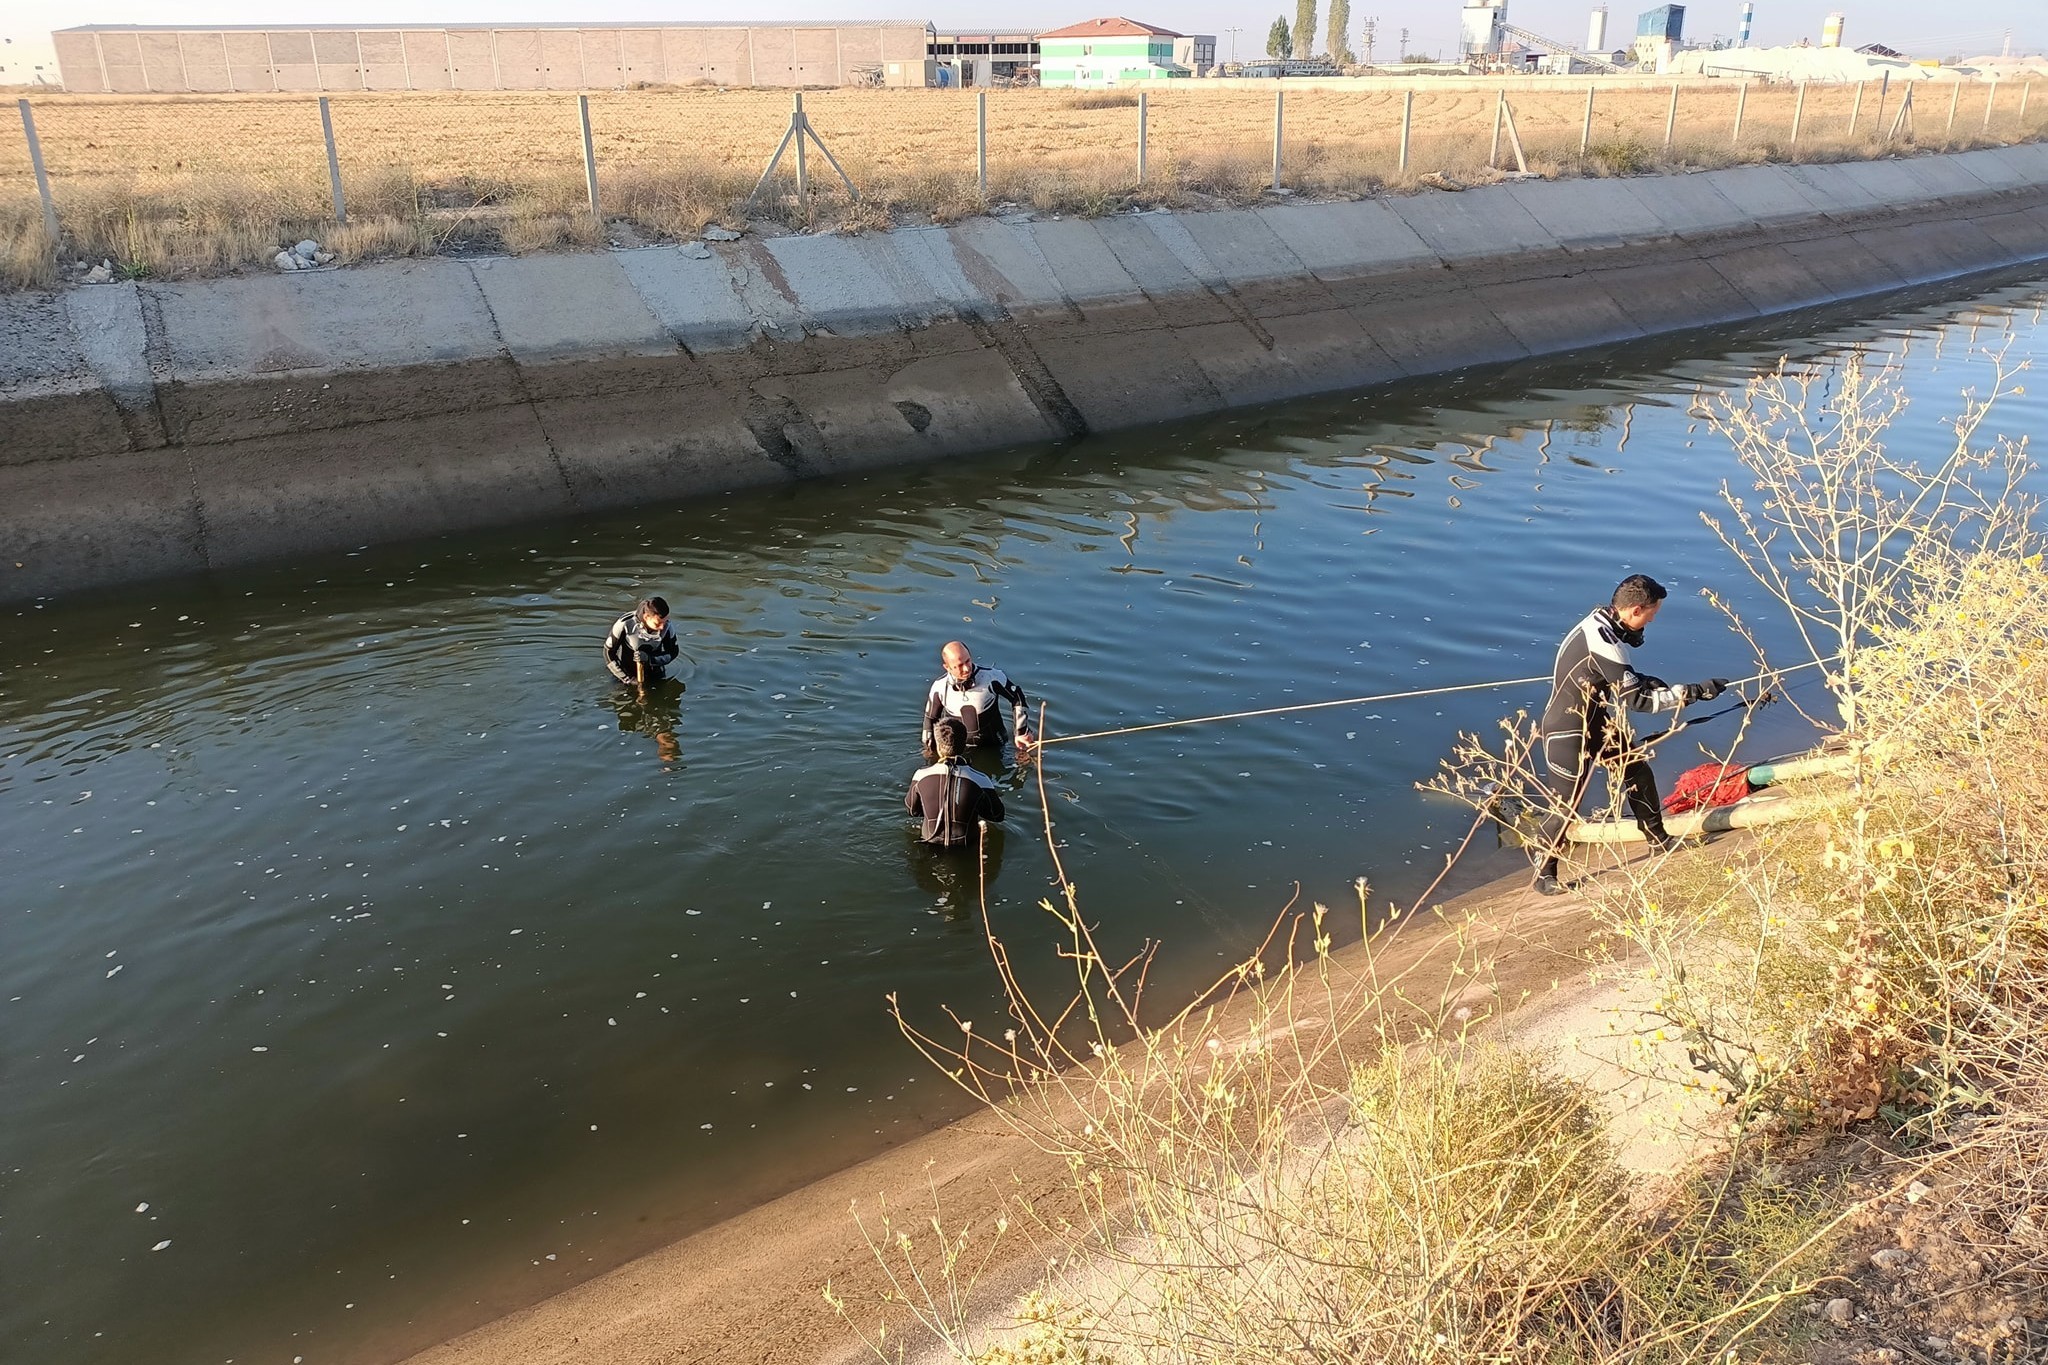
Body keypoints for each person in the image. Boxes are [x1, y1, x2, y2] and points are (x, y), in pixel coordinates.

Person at [1530, 574, 1729, 896]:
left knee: (1636, 769)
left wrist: (1644, 678)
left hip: (1597, 723)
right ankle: (1543, 873)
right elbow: (1638, 702)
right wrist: (1693, 693)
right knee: (1565, 805)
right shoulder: (1604, 642)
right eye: (1652, 614)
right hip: (1567, 730)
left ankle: (1658, 839)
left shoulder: (1604, 622)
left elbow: (1615, 677)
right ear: (1636, 609)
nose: (1652, 620)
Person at [920, 640, 1035, 761]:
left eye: (968, 661)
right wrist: (930, 750)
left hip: (995, 745)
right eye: (959, 665)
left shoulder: (991, 678)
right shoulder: (940, 688)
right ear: (947, 667)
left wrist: (1022, 732)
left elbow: (1017, 697)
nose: (966, 668)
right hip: (959, 750)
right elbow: (930, 719)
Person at [906, 718, 1006, 847]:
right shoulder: (981, 780)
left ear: (935, 745)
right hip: (966, 847)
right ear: (964, 745)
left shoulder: (920, 775)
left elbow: (912, 811)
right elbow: (997, 816)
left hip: (929, 844)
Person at [603, 596, 680, 688]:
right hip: (626, 675)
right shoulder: (625, 623)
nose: (662, 627)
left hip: (655, 676)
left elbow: (673, 652)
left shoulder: (667, 627)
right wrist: (627, 678)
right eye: (658, 623)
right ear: (646, 617)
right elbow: (608, 652)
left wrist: (650, 659)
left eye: (665, 621)